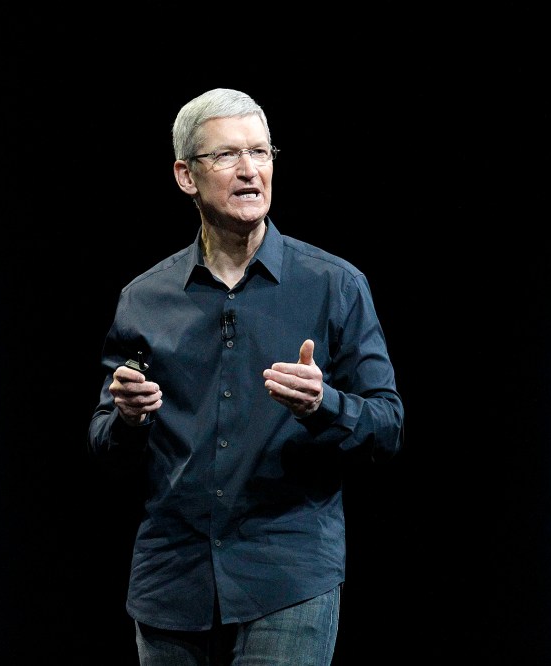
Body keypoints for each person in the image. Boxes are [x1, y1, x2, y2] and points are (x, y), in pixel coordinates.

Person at [87, 87, 404, 665]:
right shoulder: (143, 299)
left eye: (260, 152)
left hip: (286, 576)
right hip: (171, 582)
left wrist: (325, 404)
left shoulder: (333, 284)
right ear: (186, 176)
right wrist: (128, 419)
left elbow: (387, 425)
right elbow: (106, 444)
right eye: (226, 155)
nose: (249, 169)